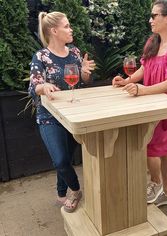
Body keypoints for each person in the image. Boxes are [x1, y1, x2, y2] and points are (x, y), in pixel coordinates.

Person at [112, 0, 167, 207]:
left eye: (154, 15)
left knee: (153, 146)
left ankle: (155, 184)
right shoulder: (153, 42)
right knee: (162, 150)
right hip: (152, 104)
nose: (150, 20)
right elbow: (145, 69)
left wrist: (142, 90)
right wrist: (127, 81)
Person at [28, 11, 95, 213]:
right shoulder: (41, 56)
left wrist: (84, 72)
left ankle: (60, 192)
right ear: (54, 31)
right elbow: (34, 85)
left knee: (65, 157)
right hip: (50, 117)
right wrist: (44, 86)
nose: (70, 29)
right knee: (60, 159)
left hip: (74, 114)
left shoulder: (74, 52)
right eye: (66, 26)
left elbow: (83, 81)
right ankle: (75, 191)